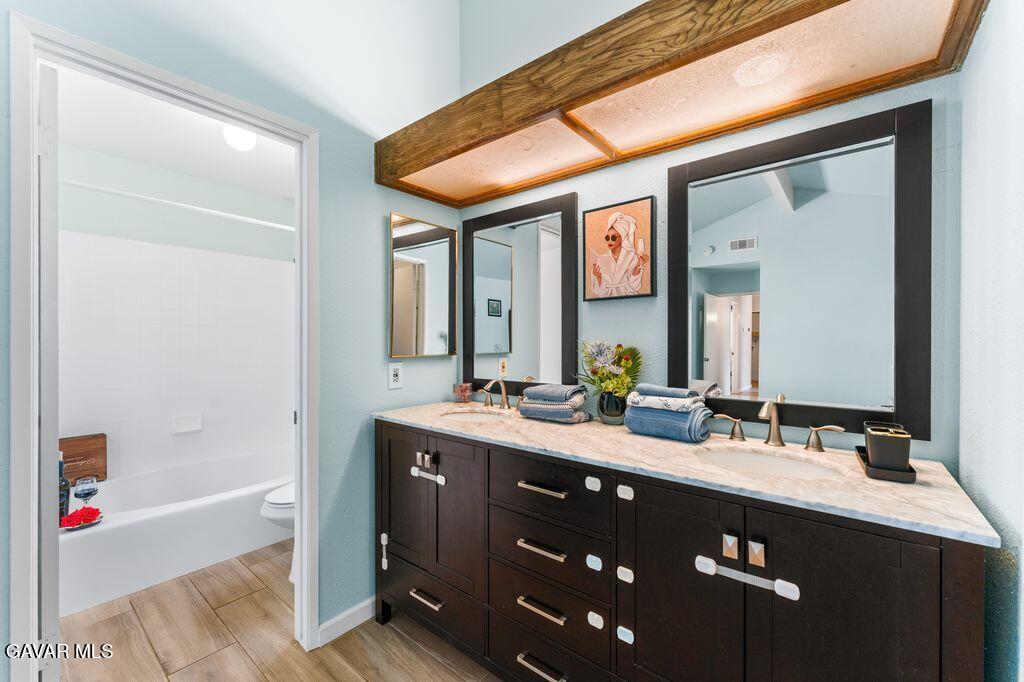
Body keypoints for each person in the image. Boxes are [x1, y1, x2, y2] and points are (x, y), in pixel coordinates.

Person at [590, 211, 650, 297]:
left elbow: (634, 286)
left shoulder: (631, 257)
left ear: (622, 237)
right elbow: (600, 292)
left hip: (628, 297)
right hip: (607, 300)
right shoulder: (602, 259)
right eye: (607, 237)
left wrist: (638, 266)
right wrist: (598, 277)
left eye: (613, 237)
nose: (609, 240)